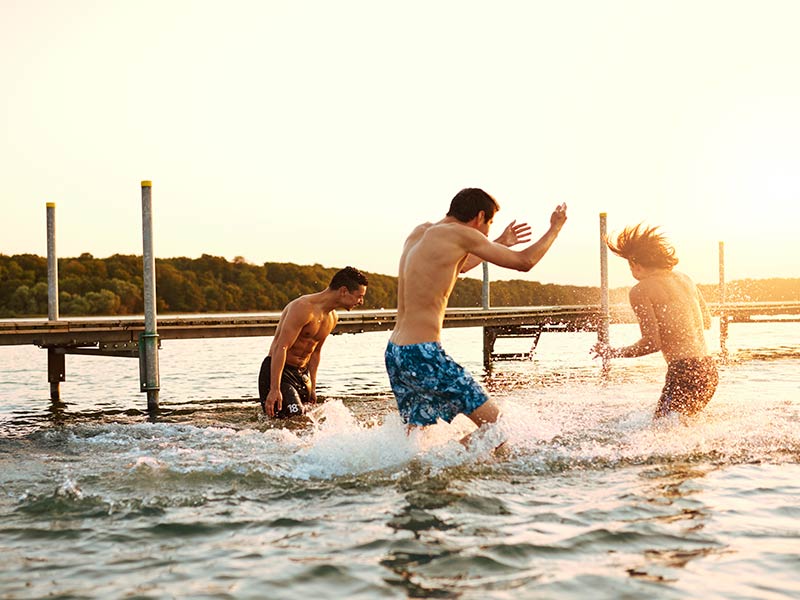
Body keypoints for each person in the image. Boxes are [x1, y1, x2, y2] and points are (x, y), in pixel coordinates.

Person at [385, 187, 568, 442]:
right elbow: (525, 262)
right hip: (423, 352)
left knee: (414, 441)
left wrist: (499, 243)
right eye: (490, 224)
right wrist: (555, 228)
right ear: (480, 217)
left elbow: (458, 264)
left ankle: (418, 475)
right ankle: (450, 462)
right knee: (497, 428)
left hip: (396, 353)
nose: (487, 233)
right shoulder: (461, 234)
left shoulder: (422, 232)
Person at [592, 224, 718, 420]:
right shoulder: (685, 279)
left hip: (683, 371)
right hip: (709, 370)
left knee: (662, 430)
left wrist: (613, 352)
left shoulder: (641, 290)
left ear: (636, 265)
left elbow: (652, 343)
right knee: (681, 429)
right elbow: (707, 322)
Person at [259, 266, 368, 418]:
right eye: (359, 296)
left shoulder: (332, 317)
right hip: (279, 372)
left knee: (307, 421)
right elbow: (281, 347)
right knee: (296, 419)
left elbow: (315, 352)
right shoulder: (303, 307)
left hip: (302, 374)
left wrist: (313, 387)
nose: (361, 301)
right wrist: (274, 388)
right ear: (344, 291)